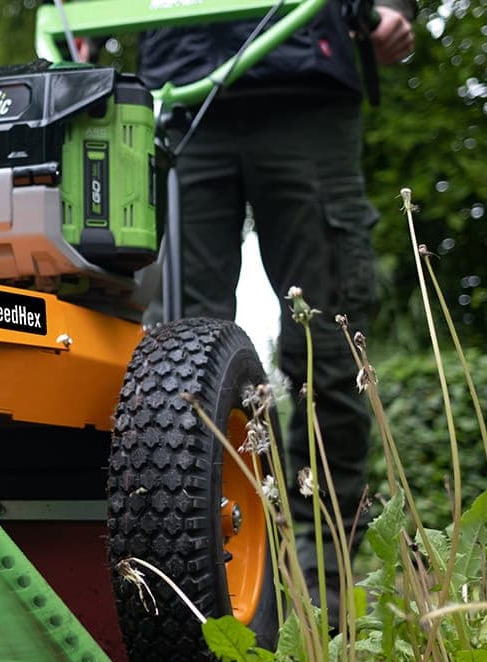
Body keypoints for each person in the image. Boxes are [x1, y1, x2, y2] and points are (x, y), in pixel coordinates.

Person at [133, 0, 417, 624]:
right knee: (178, 366)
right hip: (180, 94)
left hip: (304, 81)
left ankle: (324, 584)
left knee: (327, 346)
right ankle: (205, 582)